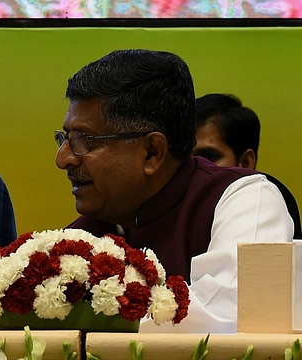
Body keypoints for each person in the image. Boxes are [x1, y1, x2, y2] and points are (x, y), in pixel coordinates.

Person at [54, 49, 293, 333]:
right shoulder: (81, 235)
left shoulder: (244, 199)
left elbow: (229, 315)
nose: (63, 159)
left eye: (84, 141)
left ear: (152, 153)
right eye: (65, 139)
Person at [192, 93, 301, 238]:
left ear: (246, 163)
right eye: (183, 157)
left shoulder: (262, 208)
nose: (194, 166)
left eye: (208, 156)